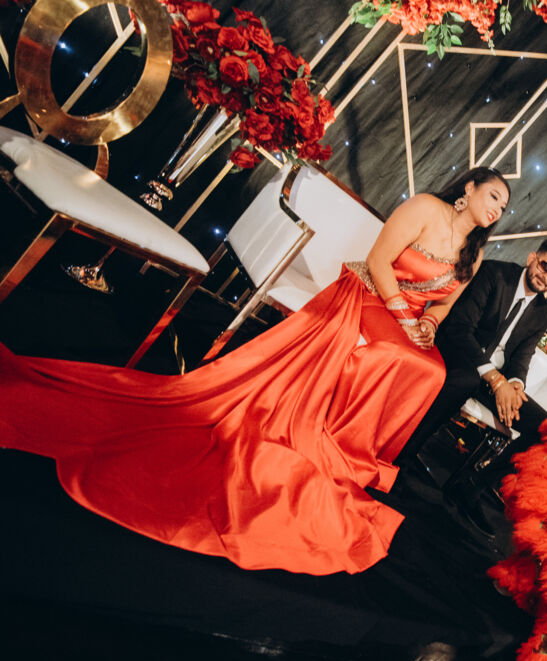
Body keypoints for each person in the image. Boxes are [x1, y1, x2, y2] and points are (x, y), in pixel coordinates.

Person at [0, 166, 510, 576]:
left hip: (412, 321)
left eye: (504, 207)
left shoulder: (476, 250)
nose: (496, 209)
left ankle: (358, 453)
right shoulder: (425, 208)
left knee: (431, 371)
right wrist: (403, 316)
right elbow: (378, 261)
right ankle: (337, 446)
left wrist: (428, 325)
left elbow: (445, 304)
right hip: (370, 294)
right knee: (395, 357)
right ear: (468, 188)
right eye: (493, 197)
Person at [397, 237, 547, 495]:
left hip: (496, 379)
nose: (546, 277)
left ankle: (471, 488)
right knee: (466, 380)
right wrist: (495, 379)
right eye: (545, 266)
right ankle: (404, 454)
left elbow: (522, 357)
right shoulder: (495, 273)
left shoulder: (542, 313)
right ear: (532, 258)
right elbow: (460, 328)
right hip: (461, 353)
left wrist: (515, 386)